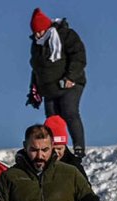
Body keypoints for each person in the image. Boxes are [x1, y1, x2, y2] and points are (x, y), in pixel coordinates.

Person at [27, 8, 87, 152]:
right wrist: (34, 92)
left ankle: (79, 146)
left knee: (69, 111)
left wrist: (71, 77)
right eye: (35, 32)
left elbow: (78, 56)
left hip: (70, 83)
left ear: (47, 27)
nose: (38, 35)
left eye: (40, 31)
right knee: (52, 119)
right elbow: (36, 69)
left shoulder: (66, 35)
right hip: (49, 88)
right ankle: (53, 148)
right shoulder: (36, 45)